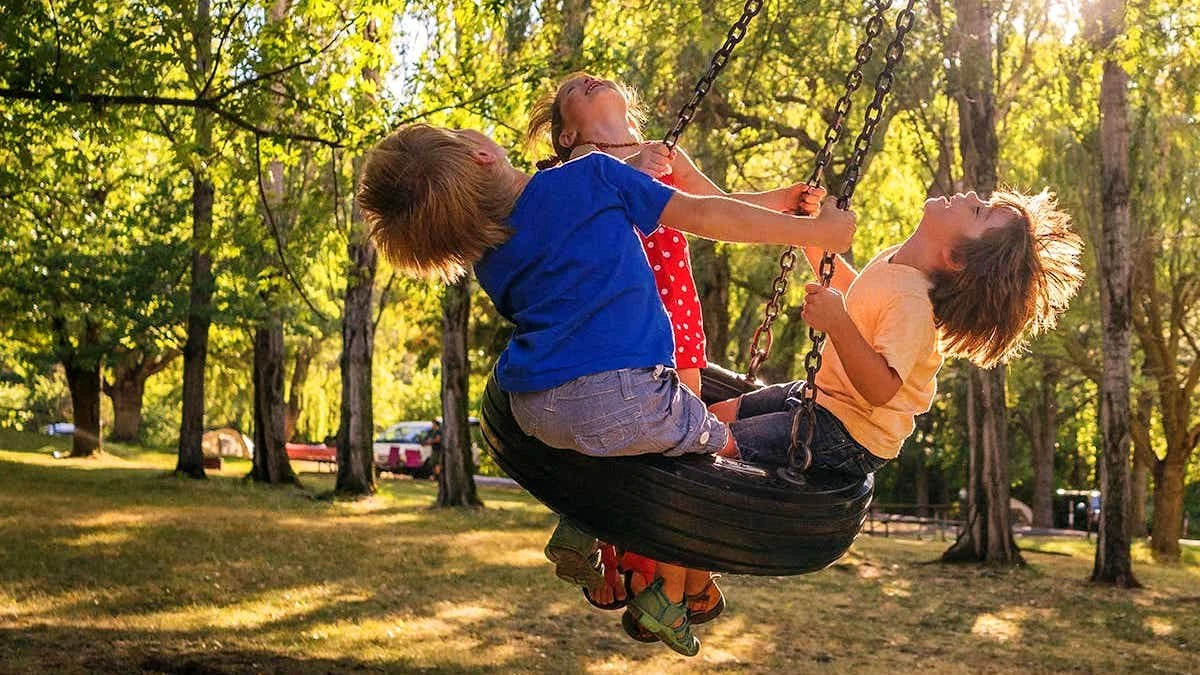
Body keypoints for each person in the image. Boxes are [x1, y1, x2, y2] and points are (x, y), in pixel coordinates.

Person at [356, 122, 856, 656]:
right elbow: (706, 214)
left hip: (533, 407)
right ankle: (664, 594)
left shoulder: (490, 256)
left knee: (611, 445)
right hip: (625, 393)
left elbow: (565, 238)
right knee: (722, 450)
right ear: (482, 155)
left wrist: (631, 175)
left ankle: (581, 523)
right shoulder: (592, 175)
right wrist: (812, 233)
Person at [525, 72, 818, 632]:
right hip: (615, 330)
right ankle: (601, 542)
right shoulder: (574, 171)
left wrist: (785, 206)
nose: (587, 79)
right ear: (566, 133)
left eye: (593, 79)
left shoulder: (664, 154)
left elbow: (716, 207)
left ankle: (663, 581)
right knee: (618, 435)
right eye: (573, 90)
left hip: (677, 326)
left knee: (677, 454)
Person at [708, 190, 1085, 485]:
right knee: (714, 416)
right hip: (824, 398)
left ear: (955, 256)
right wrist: (813, 237)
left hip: (850, 432)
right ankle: (693, 583)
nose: (971, 197)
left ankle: (684, 577)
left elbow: (881, 388)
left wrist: (838, 323)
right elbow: (860, 296)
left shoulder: (913, 306)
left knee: (714, 440)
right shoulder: (899, 263)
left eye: (977, 212)